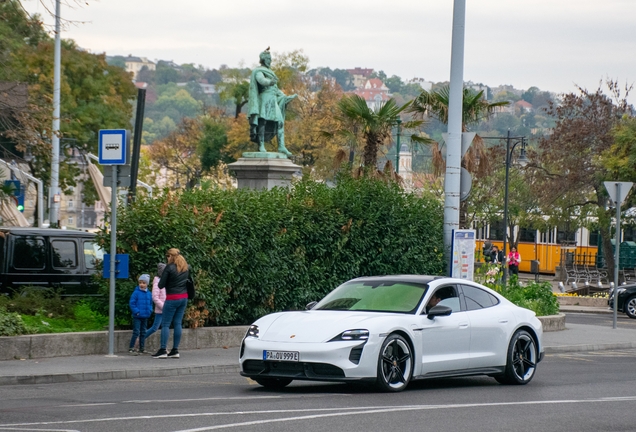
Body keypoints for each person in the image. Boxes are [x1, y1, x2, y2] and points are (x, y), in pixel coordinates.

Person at [247, 47, 297, 156]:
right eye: (268, 59)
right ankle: (261, 145)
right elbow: (262, 80)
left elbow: (276, 89)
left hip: (273, 100)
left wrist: (285, 97)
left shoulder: (271, 72)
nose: (270, 61)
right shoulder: (258, 71)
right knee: (262, 122)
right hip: (264, 99)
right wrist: (270, 82)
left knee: (280, 122)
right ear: (264, 60)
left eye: (271, 59)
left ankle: (281, 146)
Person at [152, 249, 190, 359]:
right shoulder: (185, 267)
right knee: (178, 323)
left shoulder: (169, 267)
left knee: (165, 324)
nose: (167, 258)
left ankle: (163, 349)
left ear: (171, 256)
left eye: (167, 256)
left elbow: (161, 285)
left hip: (172, 298)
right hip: (184, 298)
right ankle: (175, 350)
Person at [143, 263, 166, 345]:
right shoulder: (158, 282)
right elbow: (155, 297)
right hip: (161, 310)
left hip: (165, 309)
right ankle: (140, 339)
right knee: (155, 328)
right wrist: (164, 307)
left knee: (164, 328)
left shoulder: (165, 282)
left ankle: (164, 347)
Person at [129, 274, 153, 355]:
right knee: (136, 332)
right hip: (138, 315)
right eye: (140, 282)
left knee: (143, 332)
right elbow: (132, 303)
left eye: (144, 283)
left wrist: (150, 310)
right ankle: (131, 348)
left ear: (147, 284)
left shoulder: (149, 293)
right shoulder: (136, 293)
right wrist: (136, 311)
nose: (142, 284)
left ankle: (141, 348)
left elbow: (150, 303)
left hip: (145, 315)